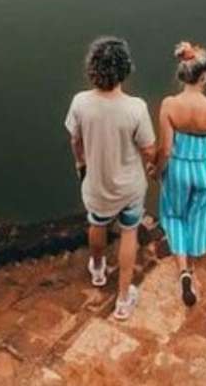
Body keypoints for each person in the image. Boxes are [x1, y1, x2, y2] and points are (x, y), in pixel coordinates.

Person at [64, 37, 156, 321]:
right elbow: (149, 148)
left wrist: (81, 165)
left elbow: (75, 141)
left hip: (96, 185)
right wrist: (154, 163)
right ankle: (123, 299)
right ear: (125, 69)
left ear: (91, 69)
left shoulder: (80, 103)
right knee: (129, 233)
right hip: (129, 188)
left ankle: (98, 268)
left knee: (97, 223)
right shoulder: (136, 108)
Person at [156, 42, 206, 308]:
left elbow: (165, 148)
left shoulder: (169, 104)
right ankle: (194, 268)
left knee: (175, 215)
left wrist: (157, 169)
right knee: (201, 219)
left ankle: (183, 272)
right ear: (205, 75)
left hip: (178, 168)